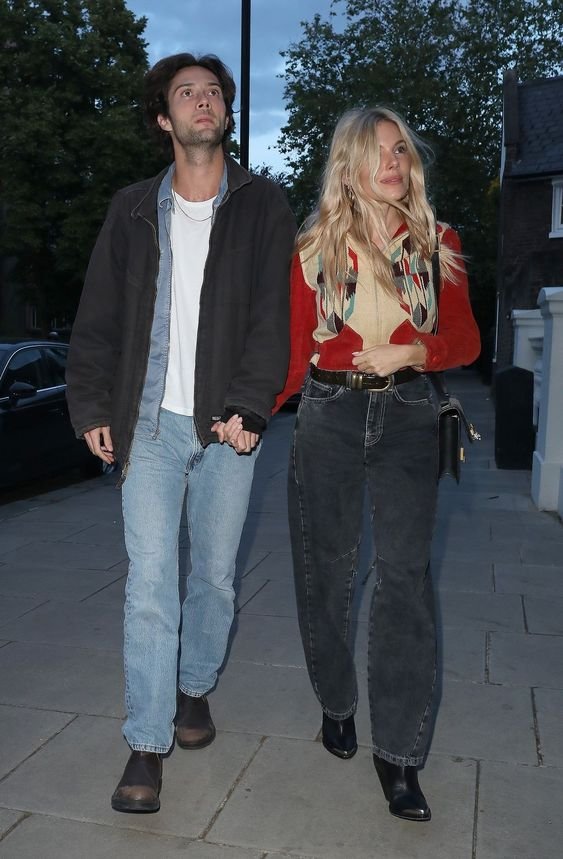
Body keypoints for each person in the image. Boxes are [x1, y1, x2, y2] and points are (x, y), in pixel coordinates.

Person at [66, 52, 296, 814]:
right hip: (149, 425)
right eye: (185, 93)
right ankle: (146, 738)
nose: (203, 101)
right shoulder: (132, 208)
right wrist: (92, 405)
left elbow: (273, 315)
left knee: (215, 579)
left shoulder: (263, 204)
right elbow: (97, 319)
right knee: (150, 585)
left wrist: (250, 404)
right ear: (164, 119)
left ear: (225, 114)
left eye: (213, 93)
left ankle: (194, 688)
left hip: (228, 422)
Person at [275, 107, 480, 822]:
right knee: (323, 572)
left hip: (407, 416)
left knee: (402, 581)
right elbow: (290, 352)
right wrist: (240, 411)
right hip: (327, 416)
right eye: (375, 151)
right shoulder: (310, 249)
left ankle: (397, 753)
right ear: (348, 166)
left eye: (399, 149)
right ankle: (335, 701)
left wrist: (411, 351)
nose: (392, 162)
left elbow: (463, 336)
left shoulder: (437, 243)